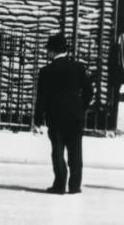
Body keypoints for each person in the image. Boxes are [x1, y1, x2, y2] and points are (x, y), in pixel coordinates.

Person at [33, 33, 93, 195]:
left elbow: (42, 98)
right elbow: (89, 91)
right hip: (76, 117)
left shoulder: (46, 71)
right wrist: (82, 107)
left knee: (57, 151)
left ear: (52, 51)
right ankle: (74, 185)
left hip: (56, 117)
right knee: (76, 151)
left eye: (48, 51)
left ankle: (60, 184)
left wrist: (38, 120)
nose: (47, 53)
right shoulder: (79, 68)